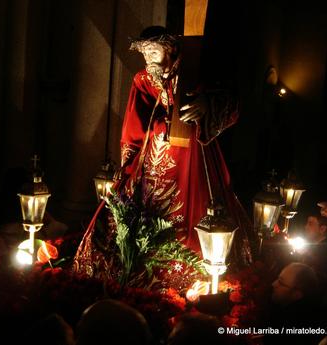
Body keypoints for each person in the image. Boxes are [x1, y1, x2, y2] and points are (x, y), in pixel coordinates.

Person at [72, 26, 254, 282]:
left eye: (153, 51)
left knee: (194, 204)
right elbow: (134, 123)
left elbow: (231, 101)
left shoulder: (193, 75)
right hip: (153, 154)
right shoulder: (143, 80)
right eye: (144, 52)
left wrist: (206, 106)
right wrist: (129, 161)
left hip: (191, 154)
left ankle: (197, 266)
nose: (148, 58)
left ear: (170, 50)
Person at [265, 262, 327, 345]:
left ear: (297, 294)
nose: (274, 284)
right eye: (277, 279)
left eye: (281, 282)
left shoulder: (288, 325)